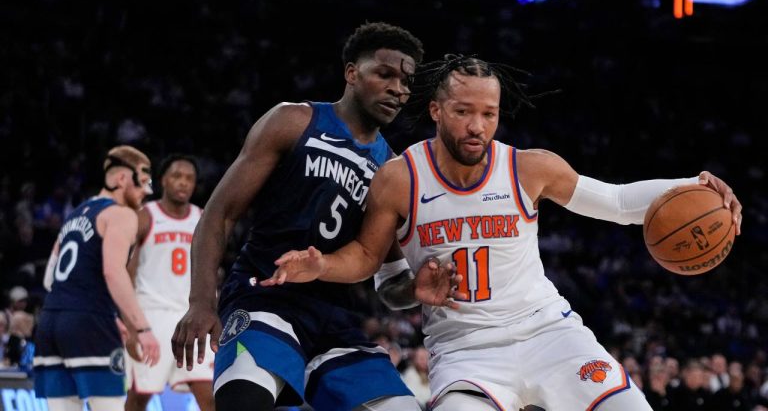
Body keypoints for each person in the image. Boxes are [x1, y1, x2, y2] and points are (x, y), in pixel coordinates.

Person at [265, 54, 743, 411]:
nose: (477, 126)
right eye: (463, 112)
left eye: (489, 114)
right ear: (435, 110)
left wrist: (696, 186)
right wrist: (362, 275)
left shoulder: (529, 168)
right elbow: (378, 274)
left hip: (549, 332)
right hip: (464, 350)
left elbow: (618, 203)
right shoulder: (399, 179)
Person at [171, 22, 461, 411]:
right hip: (263, 297)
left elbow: (389, 284)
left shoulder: (391, 170)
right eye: (385, 74)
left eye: (407, 82)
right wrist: (201, 301)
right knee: (244, 402)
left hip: (334, 320)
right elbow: (218, 215)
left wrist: (414, 290)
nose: (398, 89)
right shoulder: (293, 121)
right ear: (352, 73)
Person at [33, 145, 161, 411]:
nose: (145, 193)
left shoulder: (74, 215)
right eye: (142, 183)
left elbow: (49, 279)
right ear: (122, 179)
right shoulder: (121, 215)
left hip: (50, 322)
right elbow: (113, 271)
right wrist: (142, 329)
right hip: (88, 323)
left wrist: (106, 315)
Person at [124, 154, 215, 411]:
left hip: (191, 318)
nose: (183, 182)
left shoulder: (203, 218)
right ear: (163, 180)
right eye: (177, 176)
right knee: (139, 397)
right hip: (152, 316)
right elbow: (126, 274)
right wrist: (131, 327)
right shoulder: (145, 216)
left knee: (209, 396)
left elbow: (211, 271)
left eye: (189, 178)